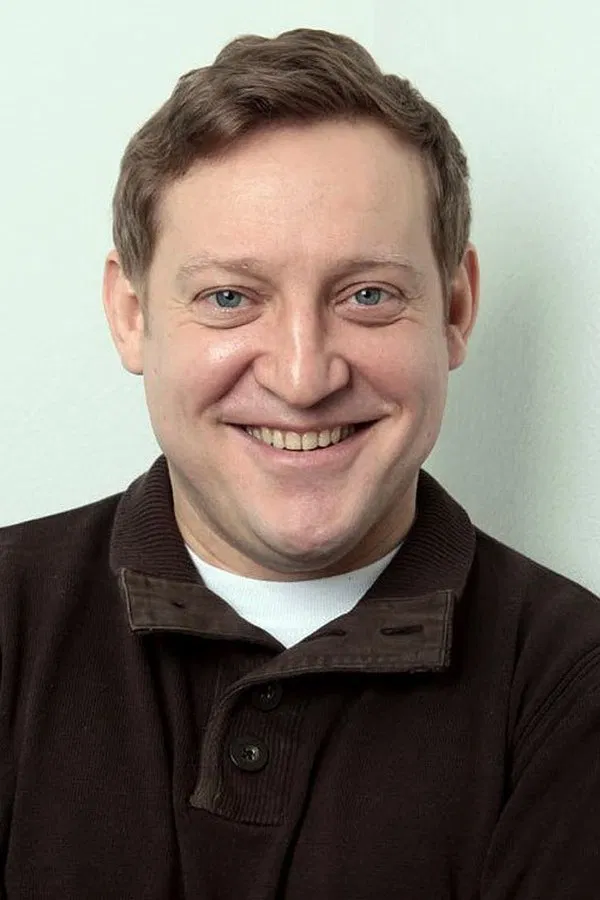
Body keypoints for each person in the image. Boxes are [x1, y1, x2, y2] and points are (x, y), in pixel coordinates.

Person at [1, 26, 599, 900]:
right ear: (131, 316)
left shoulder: (575, 686)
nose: (302, 376)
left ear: (455, 309)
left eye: (368, 295)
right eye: (229, 297)